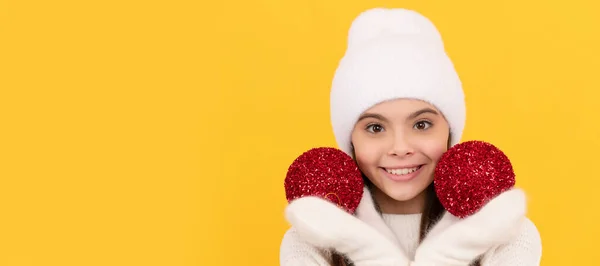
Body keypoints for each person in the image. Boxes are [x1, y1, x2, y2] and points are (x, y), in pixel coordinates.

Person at [279, 7, 542, 266]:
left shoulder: (508, 234)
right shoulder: (309, 240)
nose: (400, 147)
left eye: (422, 124)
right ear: (351, 140)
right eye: (375, 128)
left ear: (449, 131)